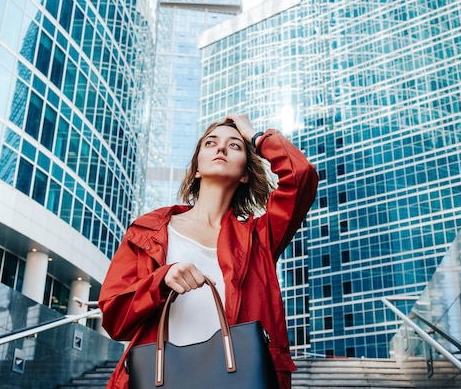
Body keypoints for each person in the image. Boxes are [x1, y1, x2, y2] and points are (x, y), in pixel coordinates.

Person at [99, 114, 318, 389]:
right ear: (197, 169)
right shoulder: (149, 231)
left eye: (235, 145)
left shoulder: (259, 238)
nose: (221, 148)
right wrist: (161, 281)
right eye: (211, 143)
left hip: (237, 380)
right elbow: (114, 317)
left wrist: (255, 136)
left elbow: (301, 175)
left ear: (245, 175)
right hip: (162, 378)